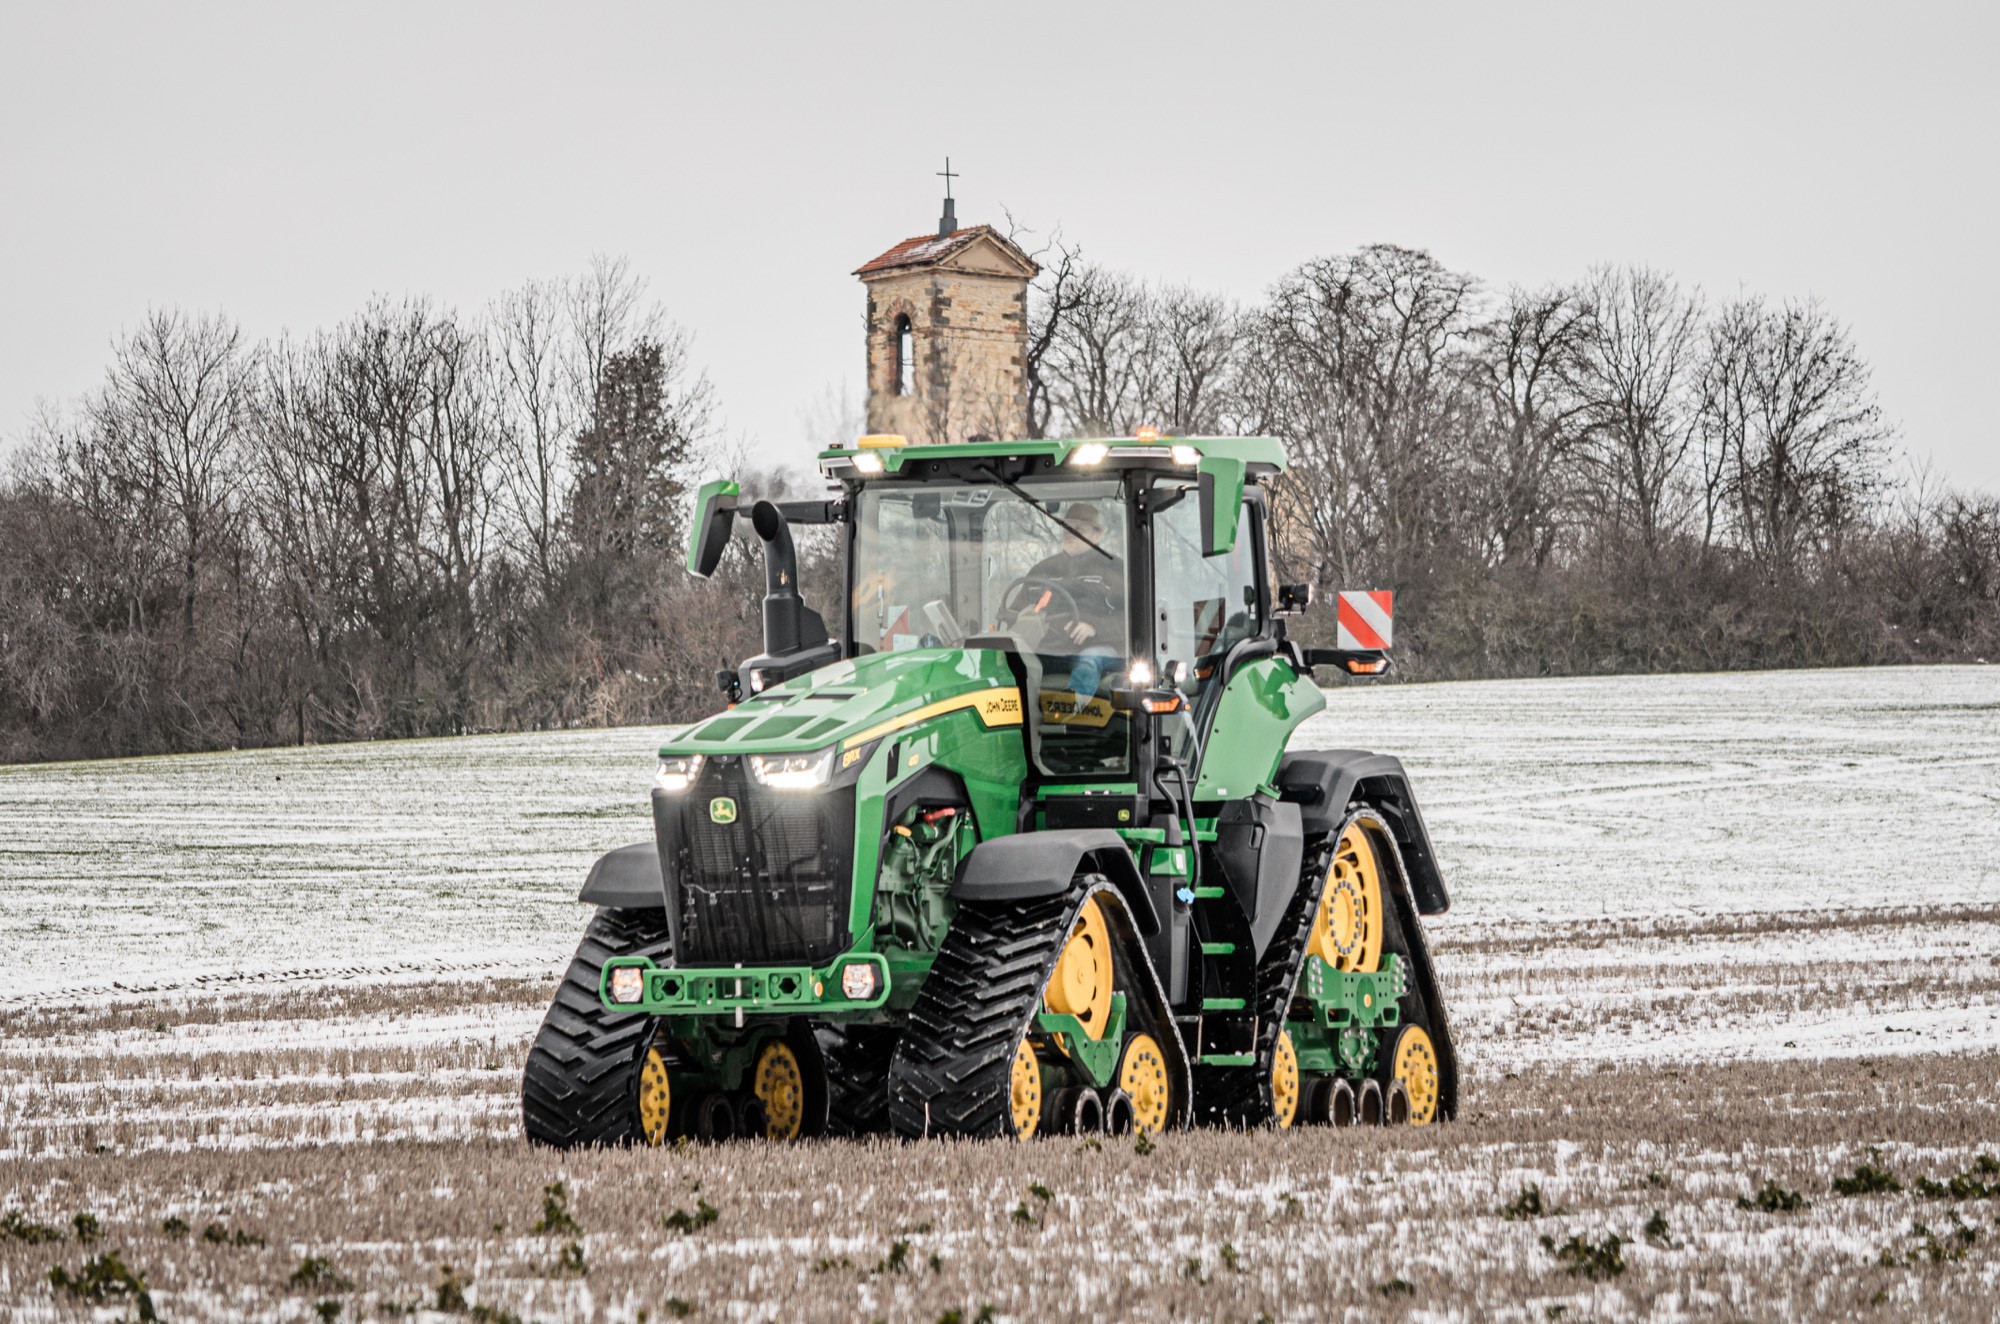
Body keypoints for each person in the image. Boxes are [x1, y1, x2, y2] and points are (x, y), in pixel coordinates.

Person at [1020, 502, 1123, 702]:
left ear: (1097, 535)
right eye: (1066, 526)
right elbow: (1015, 609)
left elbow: (1134, 621)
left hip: (1100, 646)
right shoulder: (1042, 570)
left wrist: (1095, 627)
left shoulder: (1115, 571)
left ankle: (1076, 717)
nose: (1069, 533)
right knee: (1013, 659)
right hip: (1050, 646)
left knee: (1088, 661)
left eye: (1079, 529)